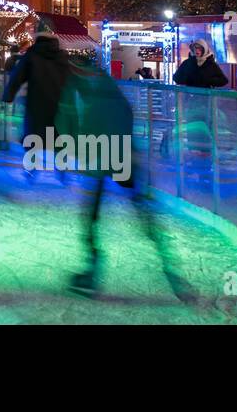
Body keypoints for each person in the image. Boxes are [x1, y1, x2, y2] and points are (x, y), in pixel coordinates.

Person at [65, 58, 194, 301]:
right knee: (140, 209)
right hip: (124, 159)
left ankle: (91, 271)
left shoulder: (89, 94)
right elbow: (124, 120)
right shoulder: (110, 89)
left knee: (91, 215)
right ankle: (169, 265)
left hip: (104, 161)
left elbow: (87, 131)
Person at [2, 24, 71, 180]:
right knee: (58, 137)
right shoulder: (62, 56)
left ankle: (31, 168)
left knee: (33, 137)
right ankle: (61, 169)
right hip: (58, 105)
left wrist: (8, 95)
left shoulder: (32, 55)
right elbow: (71, 79)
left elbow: (17, 77)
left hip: (36, 103)